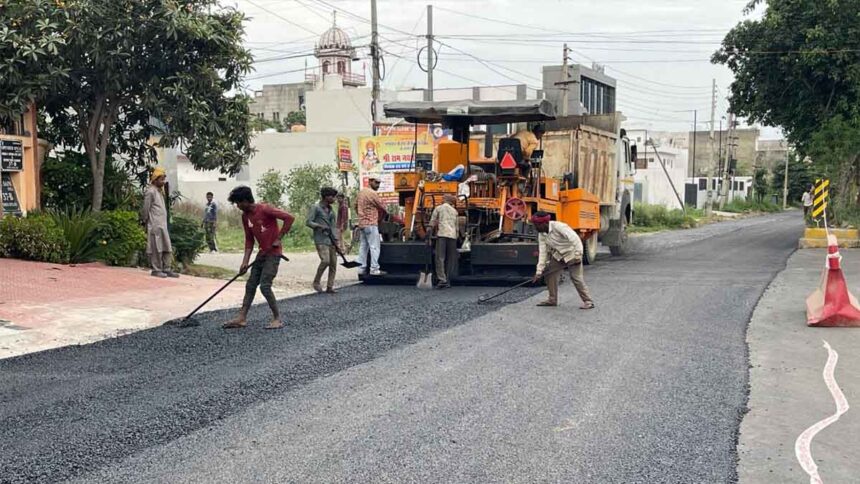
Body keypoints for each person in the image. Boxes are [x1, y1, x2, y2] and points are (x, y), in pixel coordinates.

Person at [223, 186, 295, 330]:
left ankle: (277, 319)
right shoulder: (245, 217)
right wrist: (245, 262)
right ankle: (241, 318)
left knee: (265, 286)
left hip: (273, 254)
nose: (237, 206)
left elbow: (289, 218)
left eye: (238, 203)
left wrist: (279, 238)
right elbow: (249, 240)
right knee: (250, 285)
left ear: (245, 200)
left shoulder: (265, 209)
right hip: (261, 254)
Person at [531, 211, 594, 309]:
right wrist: (539, 271)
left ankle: (588, 301)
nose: (535, 228)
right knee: (549, 273)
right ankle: (552, 300)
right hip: (559, 255)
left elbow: (575, 239)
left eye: (536, 225)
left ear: (544, 223)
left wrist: (578, 255)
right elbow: (543, 252)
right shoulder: (542, 234)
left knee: (576, 277)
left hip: (572, 253)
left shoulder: (559, 227)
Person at [142, 167, 178, 278]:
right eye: (161, 179)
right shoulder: (150, 192)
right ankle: (156, 269)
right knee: (156, 247)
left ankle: (167, 268)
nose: (163, 182)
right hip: (155, 224)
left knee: (167, 246)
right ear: (155, 180)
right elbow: (146, 209)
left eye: (163, 179)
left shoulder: (159, 191)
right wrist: (144, 221)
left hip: (163, 224)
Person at [306, 187, 339, 294]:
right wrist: (319, 226)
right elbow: (308, 222)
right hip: (321, 239)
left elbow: (333, 226)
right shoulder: (316, 208)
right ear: (326, 197)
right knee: (326, 261)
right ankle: (316, 282)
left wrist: (336, 240)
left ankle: (330, 286)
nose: (334, 199)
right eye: (332, 197)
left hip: (331, 240)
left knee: (333, 263)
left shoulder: (331, 210)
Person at [355, 177, 388, 275]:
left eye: (379, 183)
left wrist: (361, 216)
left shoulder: (361, 193)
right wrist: (381, 218)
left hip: (362, 224)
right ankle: (374, 269)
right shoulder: (373, 194)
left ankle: (361, 269)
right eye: (376, 182)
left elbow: (355, 205)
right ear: (370, 182)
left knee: (363, 247)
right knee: (374, 247)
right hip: (371, 224)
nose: (378, 185)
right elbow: (383, 207)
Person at [428, 194, 459, 289]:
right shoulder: (455, 211)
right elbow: (457, 227)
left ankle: (442, 280)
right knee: (450, 259)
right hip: (452, 236)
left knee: (440, 258)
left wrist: (428, 234)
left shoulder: (439, 208)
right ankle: (447, 280)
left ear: (445, 200)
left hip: (442, 235)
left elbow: (432, 222)